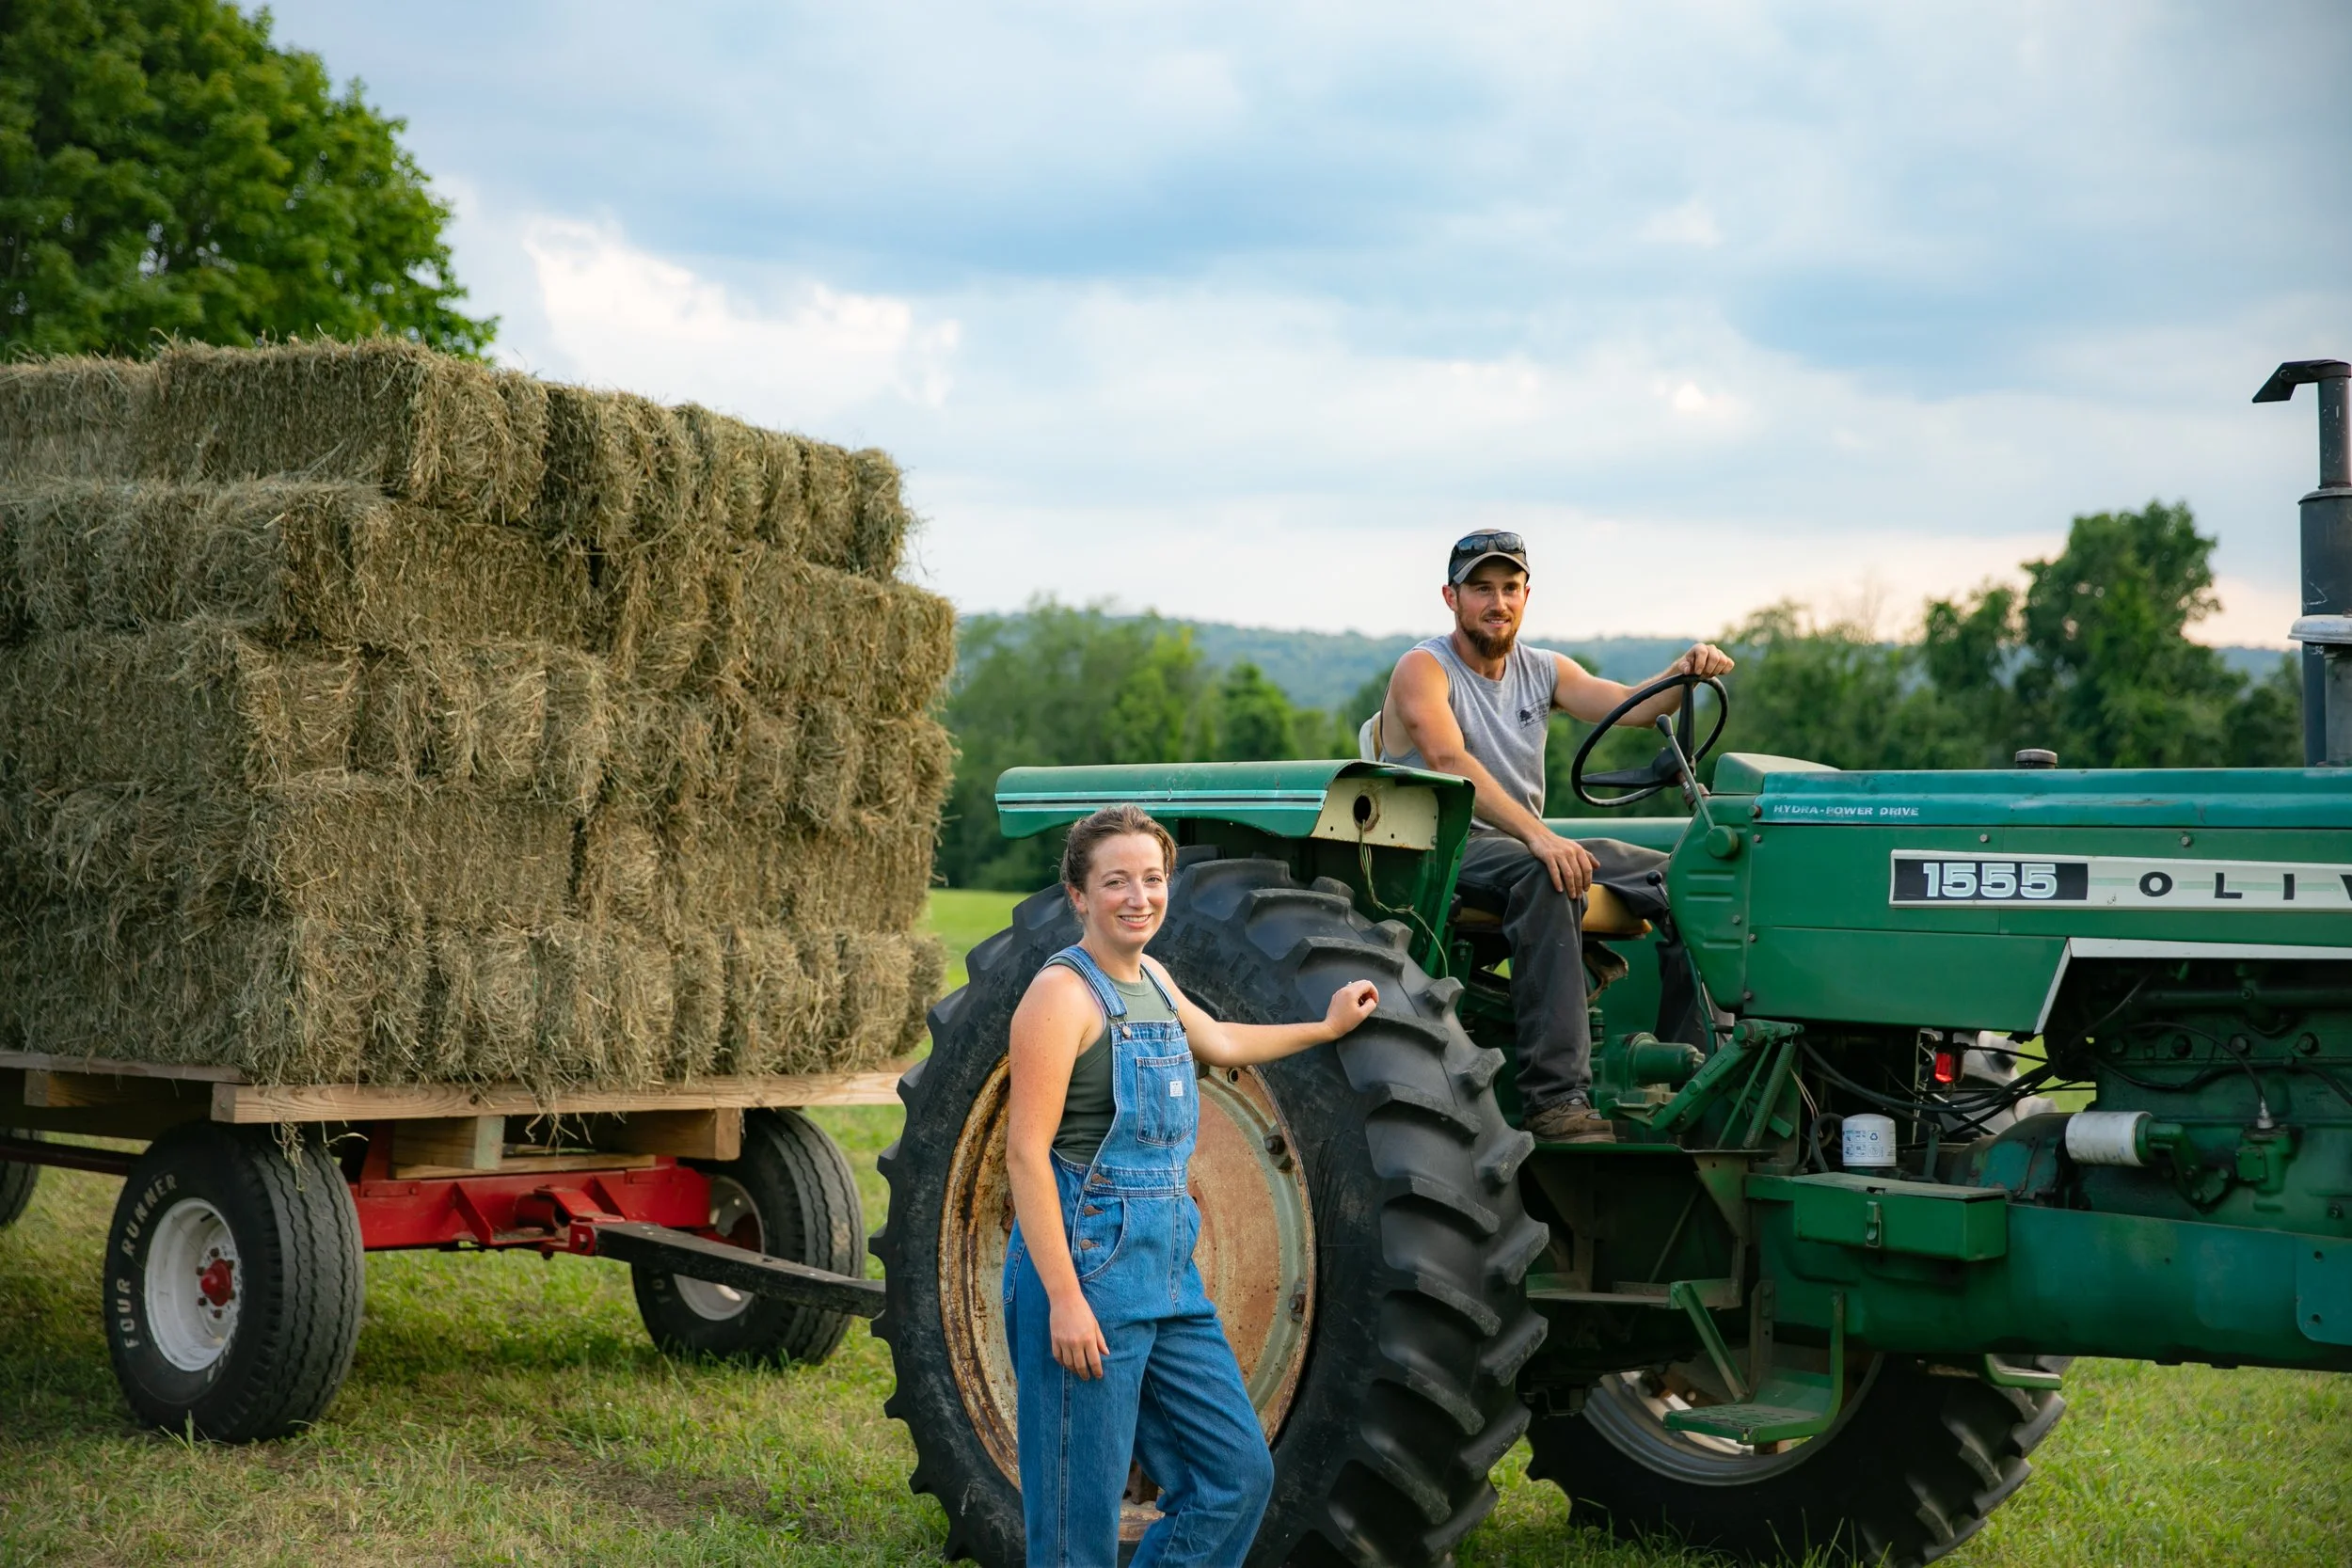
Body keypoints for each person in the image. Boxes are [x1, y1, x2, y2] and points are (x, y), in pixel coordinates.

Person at [1002, 803, 1380, 1567]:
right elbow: (1023, 1154)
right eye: (1116, 881)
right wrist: (1066, 1297)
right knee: (1077, 1526)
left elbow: (1223, 1039)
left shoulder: (1154, 980)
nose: (1139, 896)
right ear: (1079, 895)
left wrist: (1325, 1027)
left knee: (1233, 1476)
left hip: (1170, 1273)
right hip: (1087, 1270)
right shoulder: (1061, 997)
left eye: (1152, 877)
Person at [1376, 531, 1734, 1145]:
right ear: (1451, 596)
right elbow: (1447, 757)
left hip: (1519, 843)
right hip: (1440, 854)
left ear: (1526, 594)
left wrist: (1684, 672)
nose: (1498, 601)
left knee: (1689, 880)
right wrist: (1542, 837)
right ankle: (1557, 1100)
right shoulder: (1424, 668)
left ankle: (1697, 1075)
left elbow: (1632, 705)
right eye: (1481, 588)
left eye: (1509, 588)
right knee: (1546, 872)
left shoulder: (1542, 669)